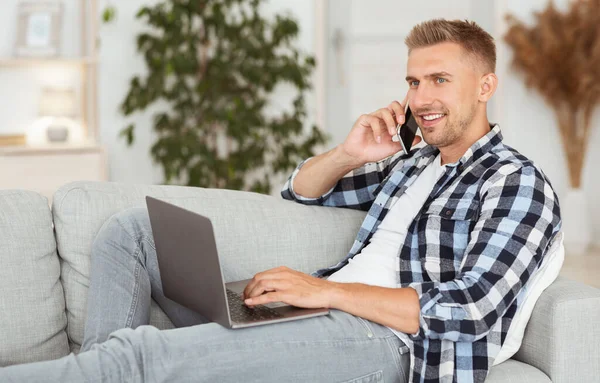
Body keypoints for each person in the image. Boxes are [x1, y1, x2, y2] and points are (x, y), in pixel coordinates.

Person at [1, 18, 561, 383]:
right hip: (322, 308)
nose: (421, 98)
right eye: (414, 83)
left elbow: (467, 310)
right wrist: (349, 152)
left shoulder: (514, 183)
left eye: (440, 80)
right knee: (131, 231)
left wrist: (322, 290)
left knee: (141, 356)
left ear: (485, 86)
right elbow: (301, 190)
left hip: (386, 343)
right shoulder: (411, 163)